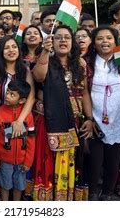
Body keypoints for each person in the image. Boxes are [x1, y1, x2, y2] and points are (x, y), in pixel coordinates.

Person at [33, 25, 94, 201]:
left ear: (72, 41)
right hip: (52, 121)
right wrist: (45, 51)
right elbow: (39, 76)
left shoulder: (80, 64)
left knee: (74, 162)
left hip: (74, 122)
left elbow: (84, 93)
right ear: (52, 41)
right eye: (58, 37)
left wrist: (89, 119)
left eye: (66, 37)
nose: (62, 41)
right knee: (50, 161)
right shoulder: (46, 61)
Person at [85, 26, 120, 200]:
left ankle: (107, 194)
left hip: (119, 119)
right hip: (94, 118)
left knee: (113, 162)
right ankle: (92, 193)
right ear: (94, 43)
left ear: (116, 41)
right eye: (100, 38)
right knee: (94, 162)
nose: (105, 42)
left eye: (109, 38)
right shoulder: (86, 62)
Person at [0, 35, 35, 138]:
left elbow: (31, 98)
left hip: (19, 117)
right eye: (6, 48)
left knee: (16, 147)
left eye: (14, 47)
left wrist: (19, 121)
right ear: (1, 51)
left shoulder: (25, 71)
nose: (11, 50)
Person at [0, 80, 35, 201]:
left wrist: (28, 161)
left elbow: (31, 140)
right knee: (5, 184)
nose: (7, 96)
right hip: (4, 159)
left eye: (12, 94)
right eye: (7, 92)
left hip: (22, 161)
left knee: (19, 186)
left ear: (22, 100)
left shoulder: (27, 116)